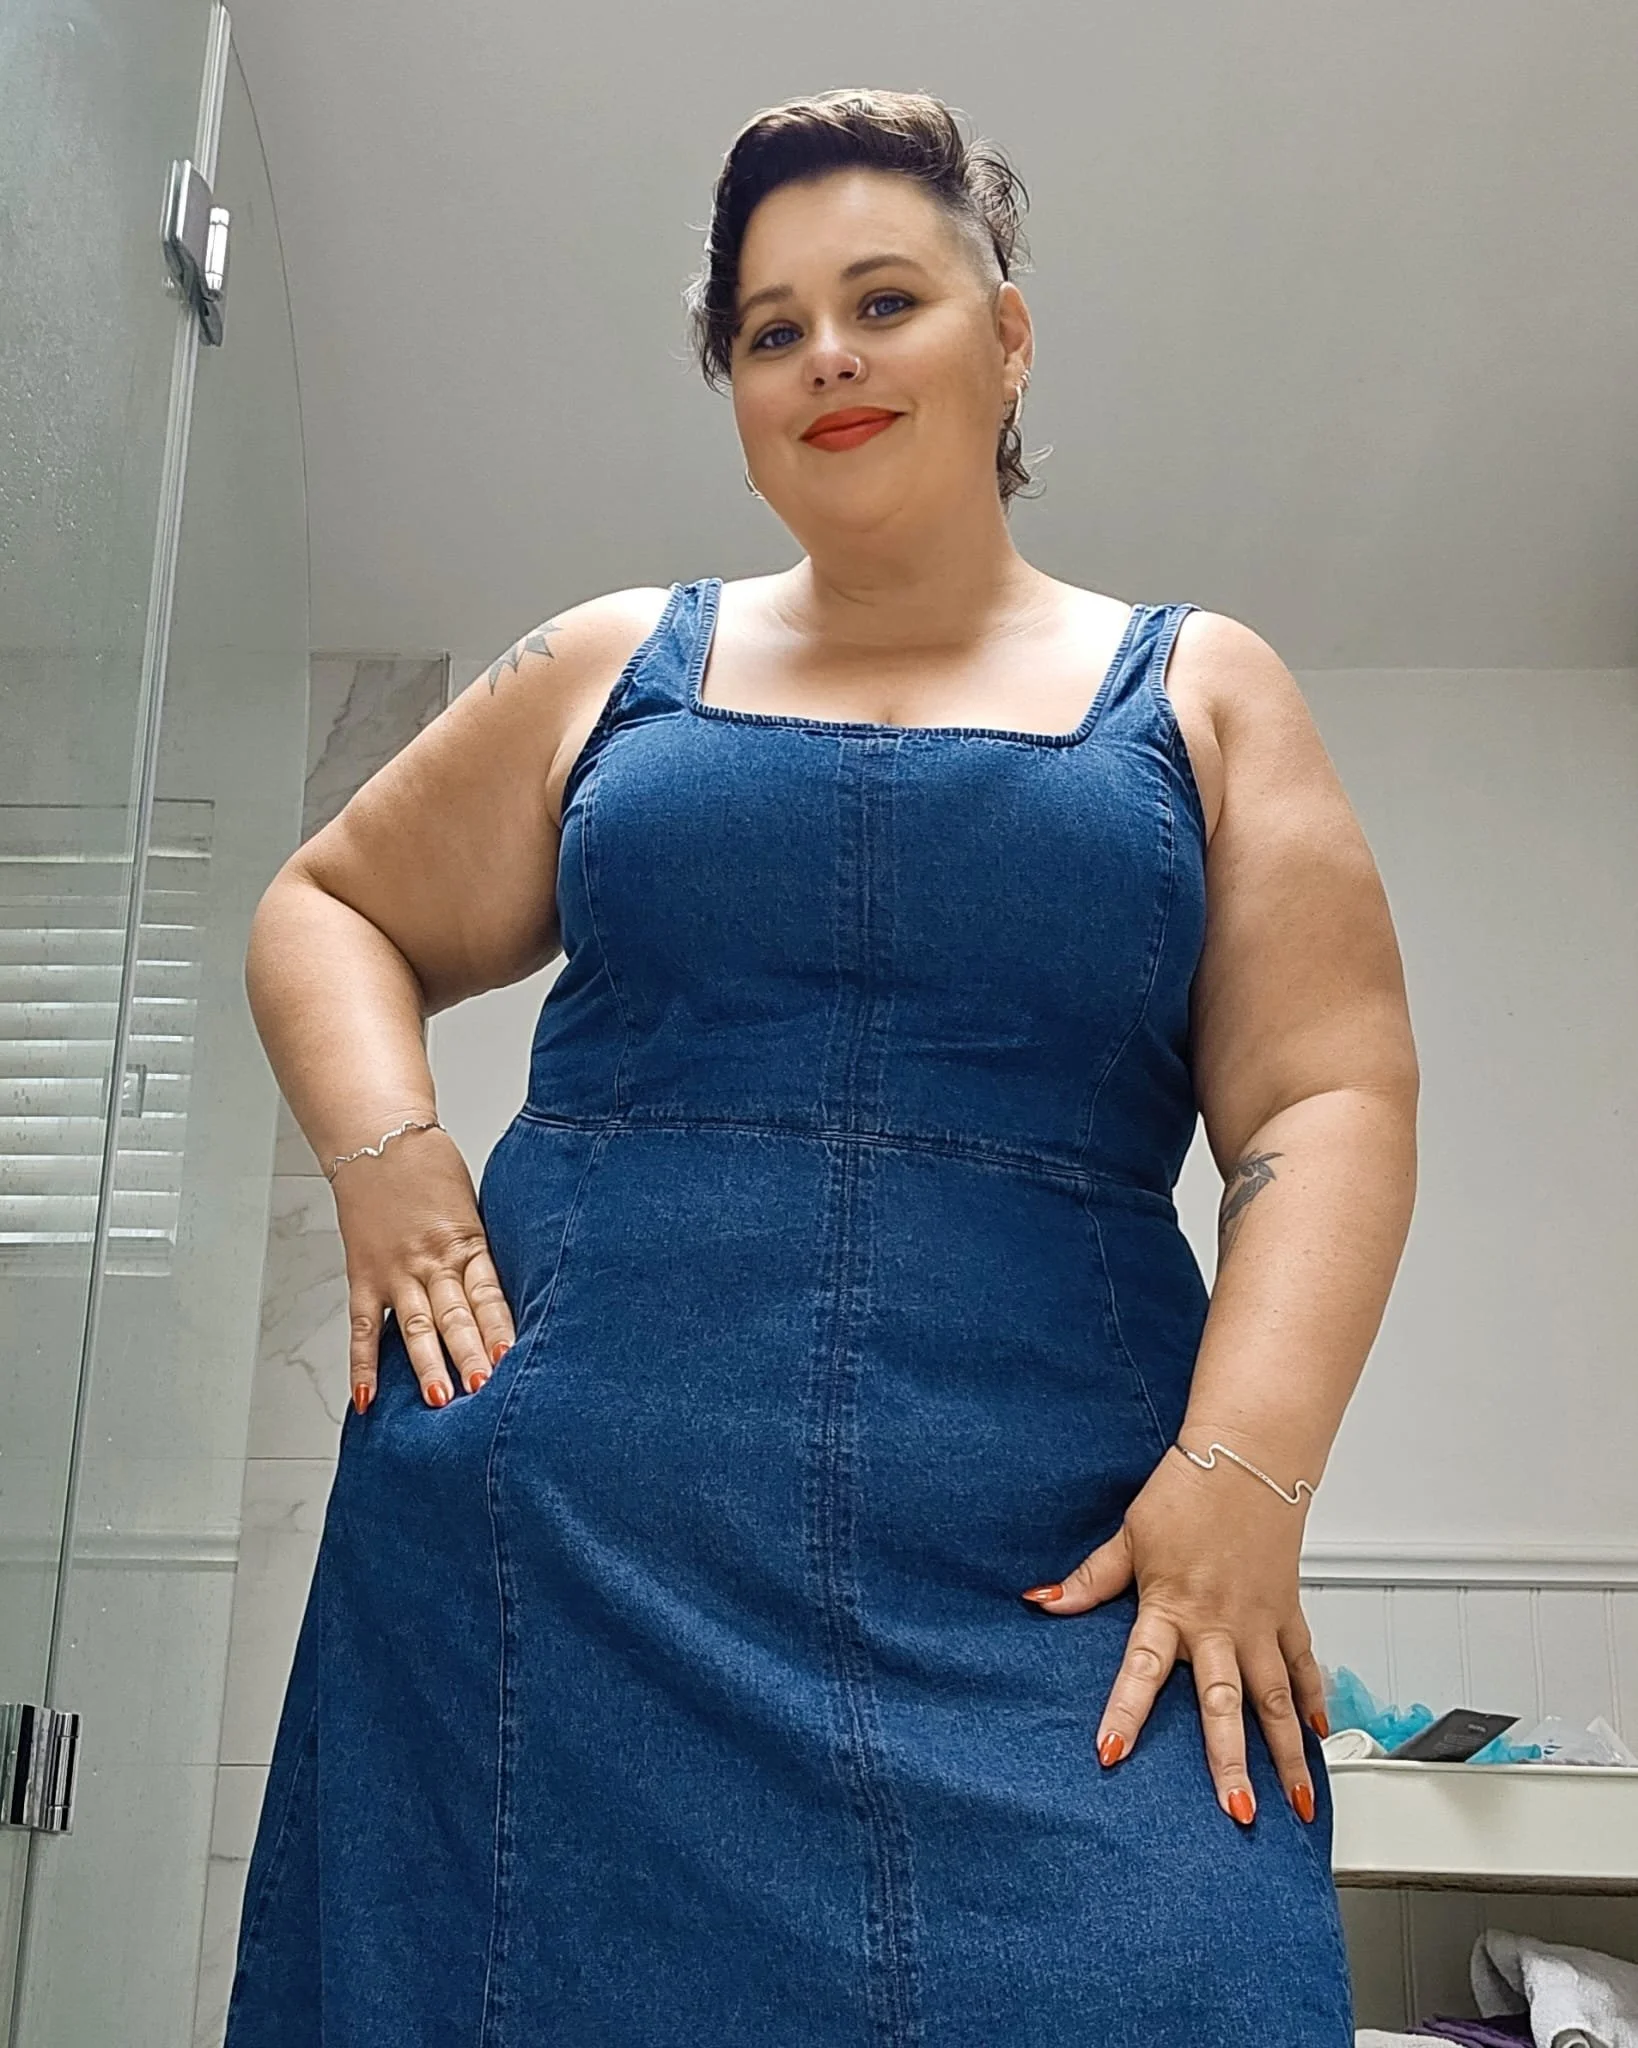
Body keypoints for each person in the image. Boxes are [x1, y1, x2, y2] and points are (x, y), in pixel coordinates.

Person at [226, 86, 1418, 2047]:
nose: (827, 358)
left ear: (1006, 334)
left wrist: (1244, 1474)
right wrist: (385, 1150)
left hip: (1054, 1579)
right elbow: (324, 907)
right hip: (562, 1570)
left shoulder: (1202, 686)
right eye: (770, 331)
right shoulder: (616, 661)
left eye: (883, 299)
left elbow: (1327, 1102)